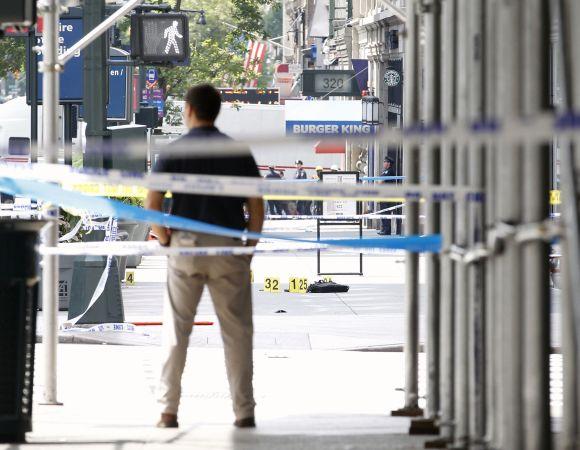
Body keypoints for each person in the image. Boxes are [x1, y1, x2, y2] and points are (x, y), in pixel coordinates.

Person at [145, 84, 264, 429]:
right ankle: (244, 412)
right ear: (217, 110)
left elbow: (152, 204)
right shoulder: (238, 152)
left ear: (189, 110)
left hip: (187, 246)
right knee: (237, 332)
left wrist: (166, 240)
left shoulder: (173, 151)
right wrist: (248, 248)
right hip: (228, 246)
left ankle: (168, 411)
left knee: (176, 331)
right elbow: (256, 204)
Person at [378, 156, 402, 236]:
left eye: (385, 162)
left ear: (388, 163)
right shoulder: (386, 171)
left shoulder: (388, 171)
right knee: (383, 212)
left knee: (385, 212)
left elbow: (380, 182)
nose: (384, 163)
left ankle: (386, 230)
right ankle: (384, 229)